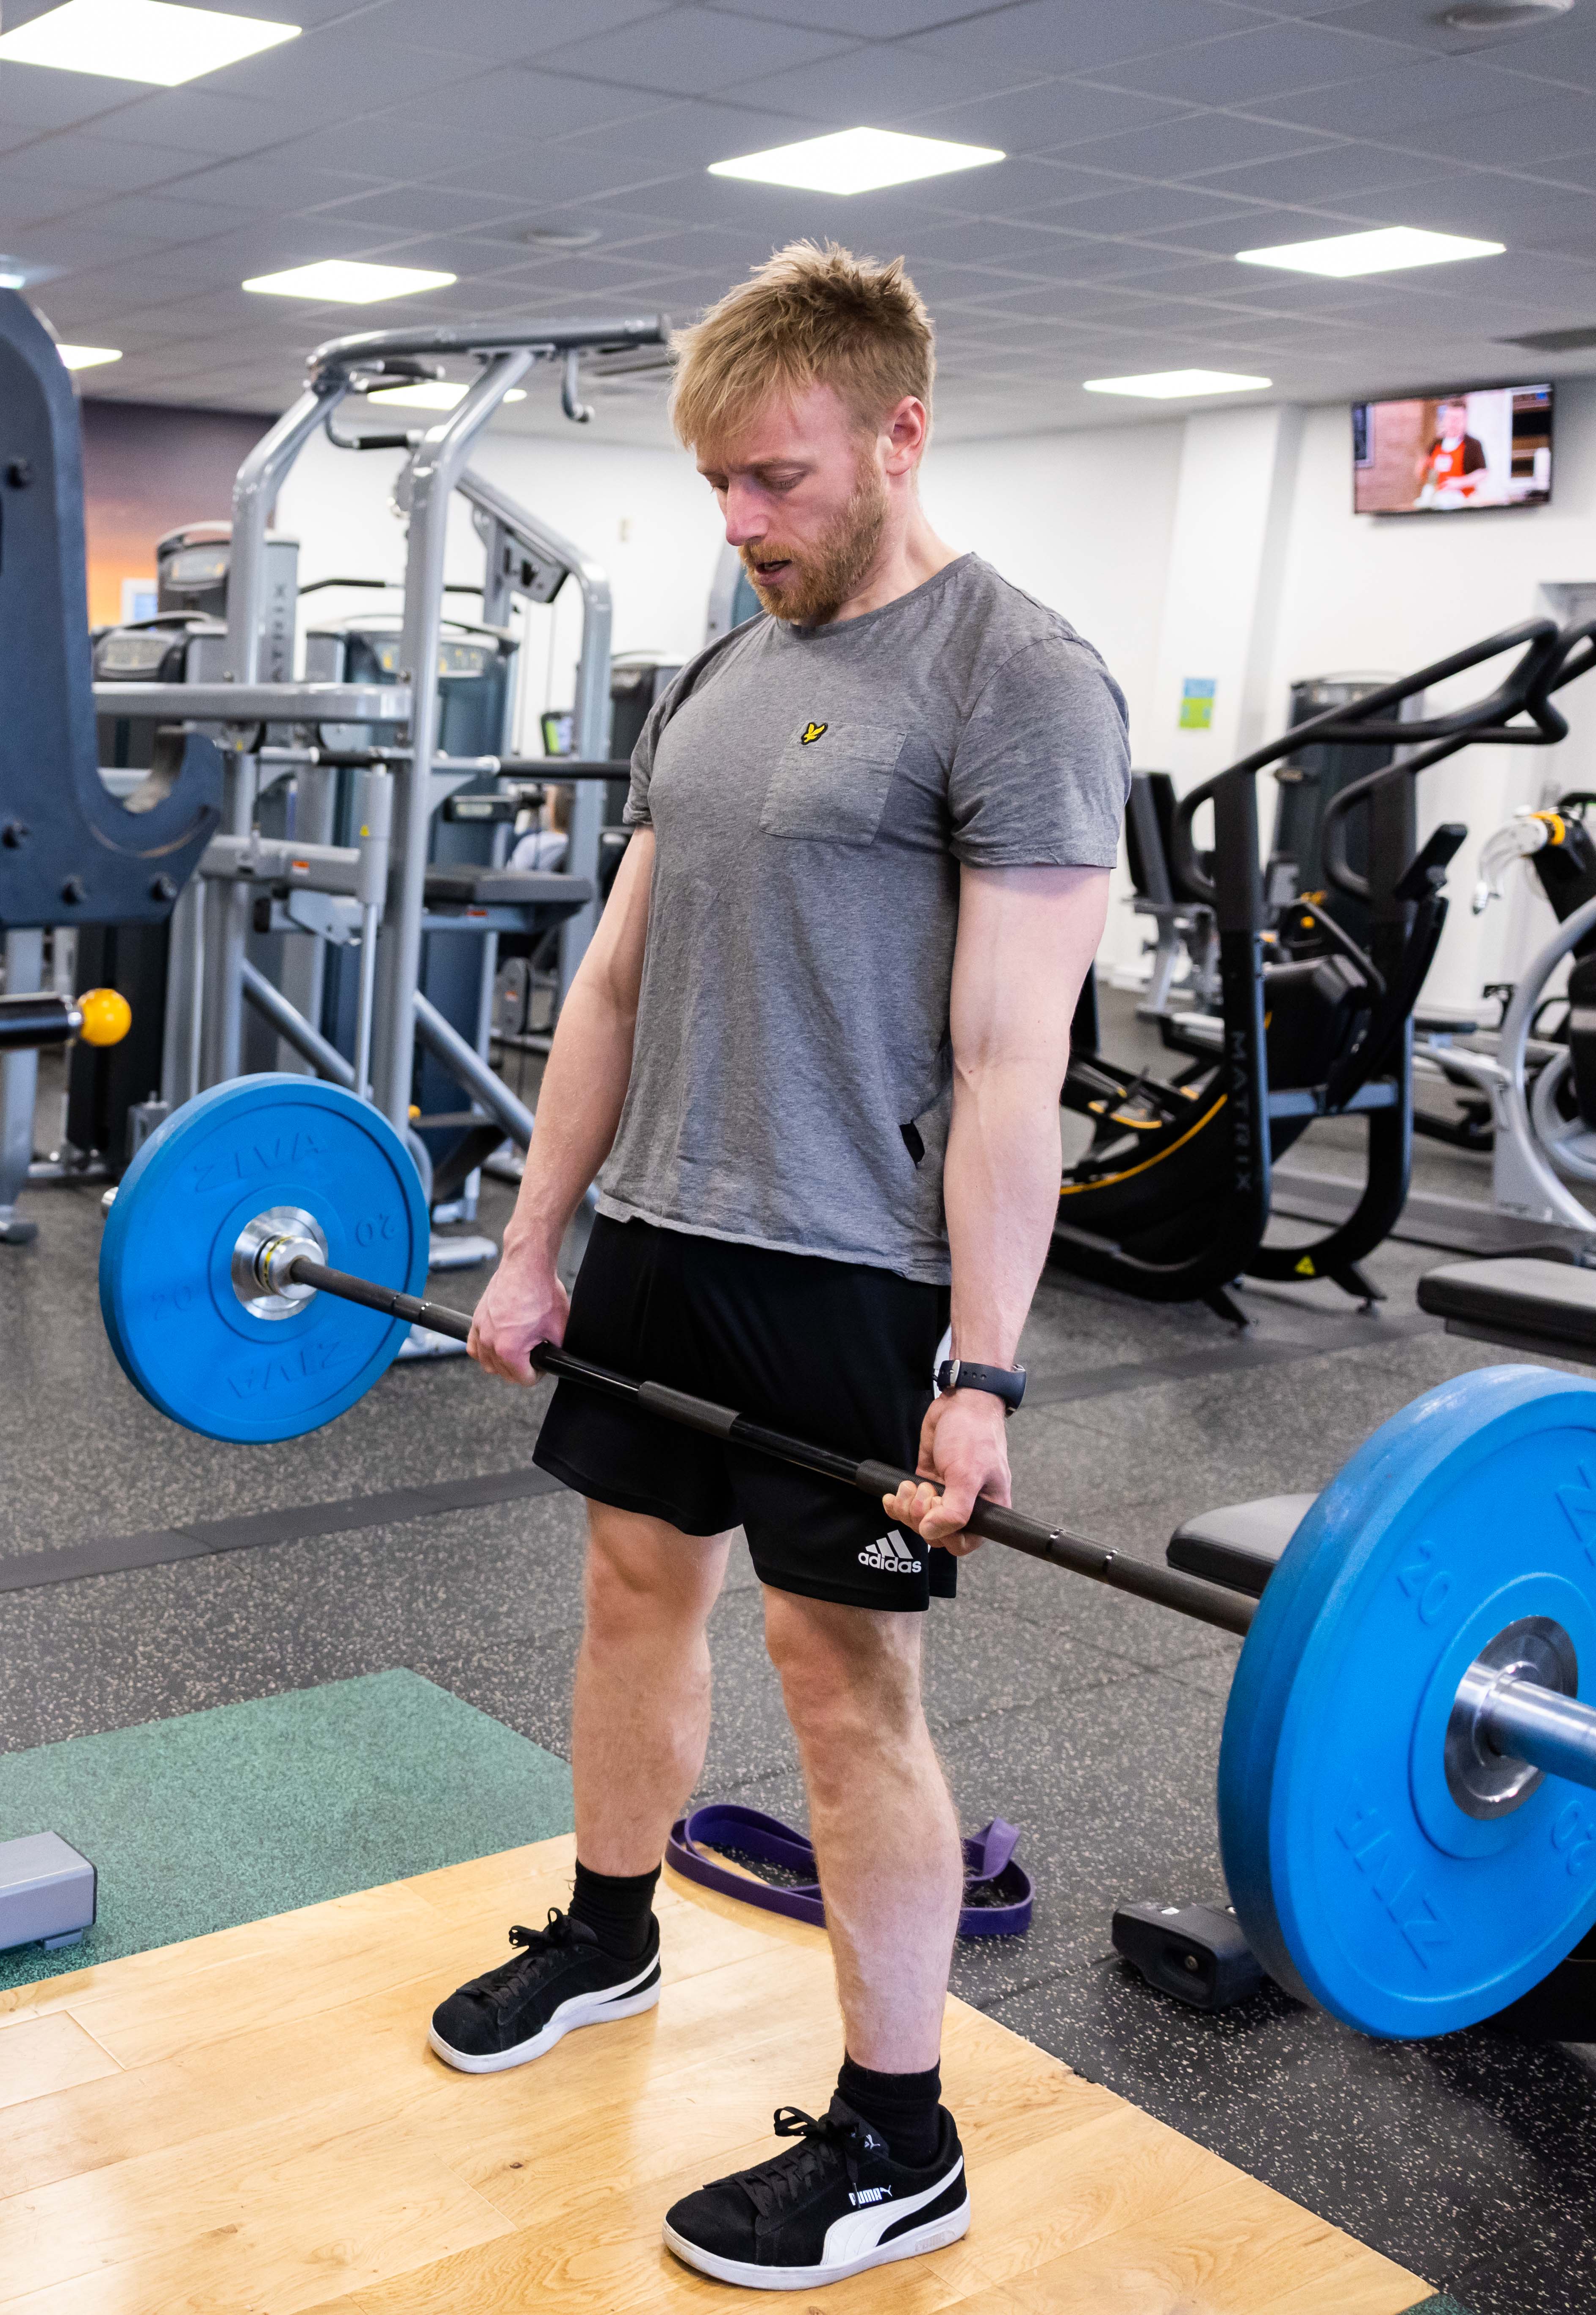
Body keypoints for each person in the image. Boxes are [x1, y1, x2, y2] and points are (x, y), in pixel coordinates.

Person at [426, 242, 1127, 2291]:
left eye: (779, 481)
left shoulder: (1020, 677)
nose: (739, 527)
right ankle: (606, 1928)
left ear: (902, 431)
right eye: (718, 486)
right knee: (631, 1593)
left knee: (845, 1691)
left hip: (852, 1278)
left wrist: (979, 1376)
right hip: (661, 1238)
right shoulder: (718, 675)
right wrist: (537, 1236)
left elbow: (1015, 1062)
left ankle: (902, 2136)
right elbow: (620, 981)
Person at [1416, 396, 1490, 509]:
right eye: (1451, 418)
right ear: (1444, 419)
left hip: (1465, 500)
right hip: (1438, 499)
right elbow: (1423, 468)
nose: (1454, 423)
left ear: (1465, 420)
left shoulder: (1473, 445)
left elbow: (1483, 473)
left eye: (1458, 419)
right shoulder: (1436, 443)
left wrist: (1460, 482)